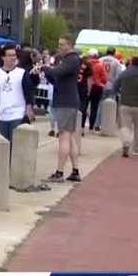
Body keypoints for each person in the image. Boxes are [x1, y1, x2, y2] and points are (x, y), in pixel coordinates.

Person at [40, 38, 83, 182]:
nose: (59, 47)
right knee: (69, 138)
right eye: (59, 44)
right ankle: (75, 170)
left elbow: (58, 72)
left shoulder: (71, 59)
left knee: (64, 137)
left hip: (66, 102)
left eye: (62, 44)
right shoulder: (68, 60)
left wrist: (45, 68)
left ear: (70, 45)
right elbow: (57, 79)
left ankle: (59, 172)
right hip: (66, 100)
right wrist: (46, 73)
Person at [0, 44, 36, 142]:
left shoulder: (22, 73)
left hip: (18, 115)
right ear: (3, 57)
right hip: (2, 115)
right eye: (9, 55)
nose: (13, 58)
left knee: (17, 146)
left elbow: (28, 93)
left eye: (14, 55)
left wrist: (29, 109)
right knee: (3, 147)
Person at [114, 57, 138, 158]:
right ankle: (137, 149)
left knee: (126, 126)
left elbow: (115, 85)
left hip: (125, 103)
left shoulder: (125, 73)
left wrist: (120, 92)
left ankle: (126, 143)